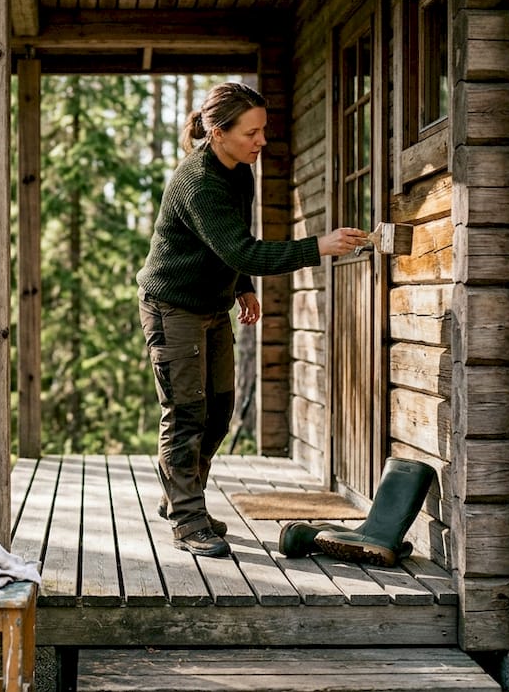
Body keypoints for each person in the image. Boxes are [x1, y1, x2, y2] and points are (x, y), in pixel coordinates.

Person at [137, 82, 368, 557]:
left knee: (219, 411)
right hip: (172, 307)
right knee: (185, 413)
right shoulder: (197, 182)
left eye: (264, 130)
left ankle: (181, 499)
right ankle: (186, 518)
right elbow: (244, 248)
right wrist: (317, 247)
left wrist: (241, 285)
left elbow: (232, 242)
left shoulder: (240, 170)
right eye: (252, 132)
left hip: (212, 305)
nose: (262, 140)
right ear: (218, 133)